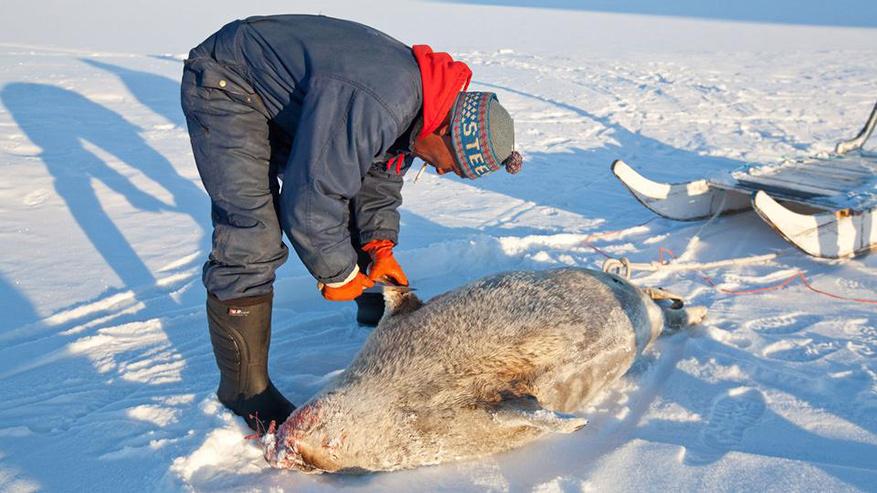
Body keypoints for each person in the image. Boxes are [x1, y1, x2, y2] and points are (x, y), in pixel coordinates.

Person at [180, 14, 522, 432]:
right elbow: (310, 198)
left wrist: (379, 246)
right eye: (453, 165)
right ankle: (243, 391)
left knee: (342, 191)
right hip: (230, 82)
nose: (444, 171)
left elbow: (377, 175)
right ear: (448, 131)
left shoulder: (424, 106)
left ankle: (372, 308)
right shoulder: (382, 101)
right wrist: (336, 273)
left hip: (285, 96)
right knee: (253, 231)